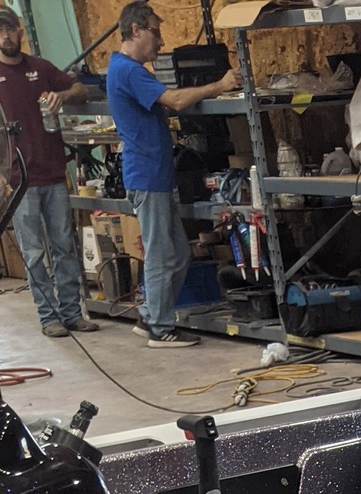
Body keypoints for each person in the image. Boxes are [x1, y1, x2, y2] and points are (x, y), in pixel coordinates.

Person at [105, 3, 237, 347]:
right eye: (155, 32)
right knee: (162, 255)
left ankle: (151, 315)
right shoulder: (129, 71)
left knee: (177, 254)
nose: (160, 41)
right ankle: (158, 327)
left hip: (156, 175)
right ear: (136, 30)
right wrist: (218, 85)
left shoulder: (128, 69)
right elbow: (176, 101)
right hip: (147, 176)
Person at [0, 7, 96, 339]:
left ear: (20, 30)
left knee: (64, 247)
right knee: (33, 253)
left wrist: (62, 95)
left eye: (11, 28)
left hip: (53, 174)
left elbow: (81, 89)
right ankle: (49, 318)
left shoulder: (41, 68)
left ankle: (72, 313)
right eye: (0, 30)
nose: (7, 35)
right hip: (20, 181)